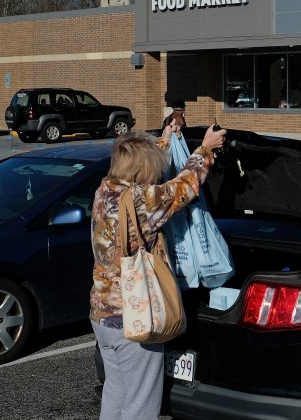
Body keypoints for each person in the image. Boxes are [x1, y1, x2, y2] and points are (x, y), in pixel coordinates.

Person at [89, 122, 225, 420]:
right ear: (144, 170)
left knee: (116, 389)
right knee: (141, 404)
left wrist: (164, 142)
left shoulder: (105, 191)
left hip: (102, 315)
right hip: (134, 319)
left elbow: (144, 174)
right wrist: (205, 149)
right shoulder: (141, 202)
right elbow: (185, 187)